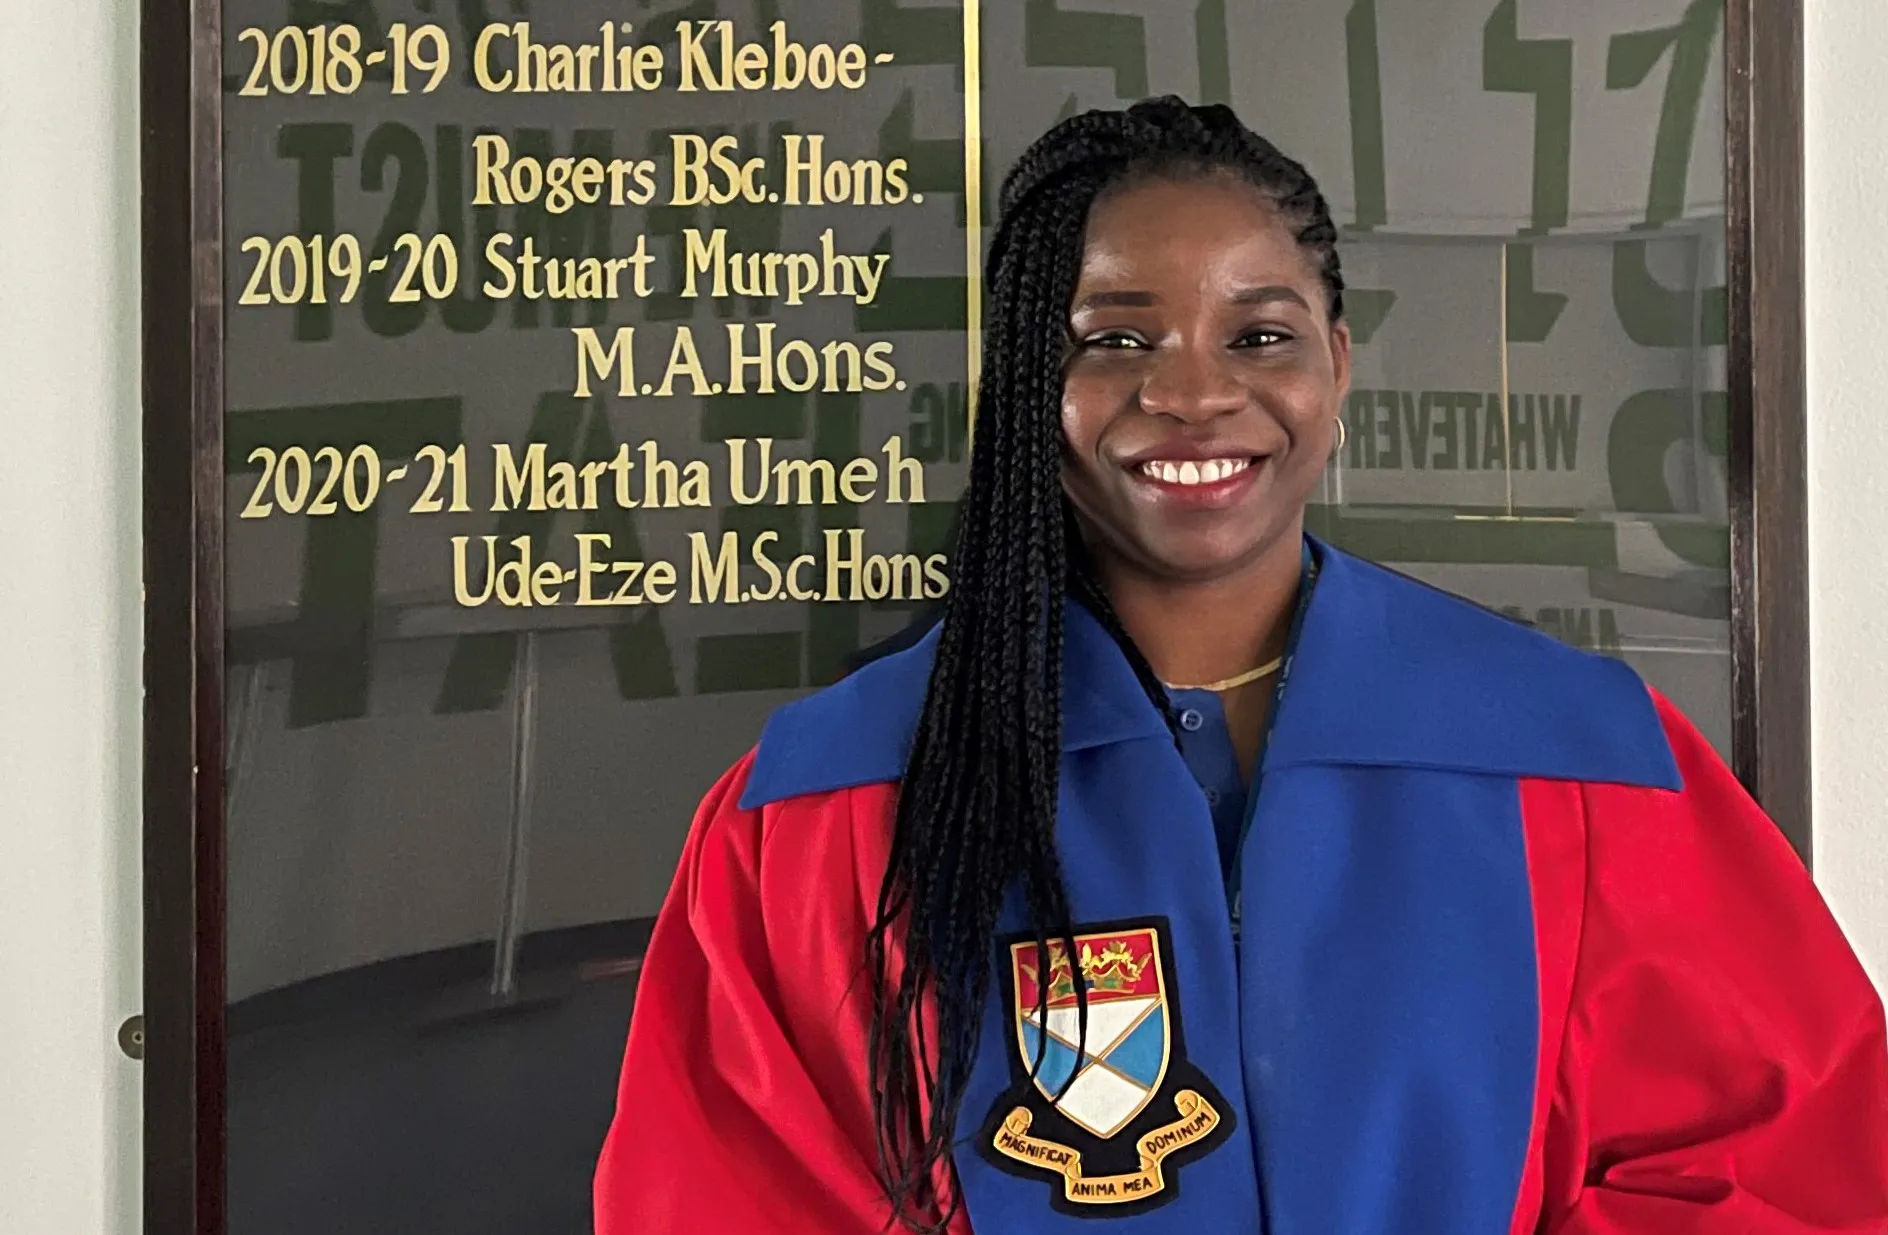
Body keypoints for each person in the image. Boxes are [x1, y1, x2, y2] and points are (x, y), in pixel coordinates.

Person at [593, 98, 1888, 1234]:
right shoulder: (830, 805)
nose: (1196, 394)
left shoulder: (1575, 757)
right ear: (1029, 383)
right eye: (1116, 338)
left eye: (1259, 335)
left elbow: (1781, 1167)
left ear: (1338, 362)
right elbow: (729, 1196)